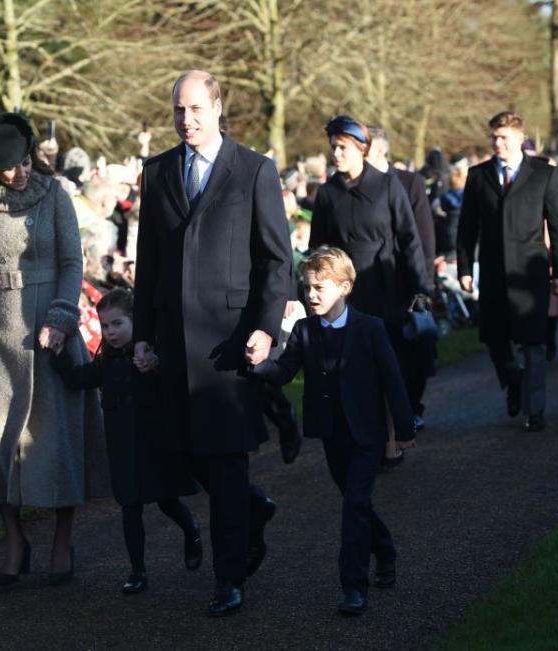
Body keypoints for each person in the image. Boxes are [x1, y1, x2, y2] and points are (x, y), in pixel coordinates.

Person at [133, 70, 292, 616]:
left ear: (219, 107)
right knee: (183, 452)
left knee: (225, 460)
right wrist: (143, 336)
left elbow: (276, 259)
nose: (186, 119)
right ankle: (252, 508)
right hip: (173, 344)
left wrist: (266, 327)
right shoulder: (156, 174)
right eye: (178, 109)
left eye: (196, 109)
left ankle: (229, 578)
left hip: (230, 345)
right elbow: (149, 263)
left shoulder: (253, 171)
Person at [0, 112, 109, 586]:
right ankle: (14, 538)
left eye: (21, 162)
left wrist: (62, 318)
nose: (16, 173)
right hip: (3, 333)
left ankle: (63, 538)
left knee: (57, 437)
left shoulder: (54, 193)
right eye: (6, 166)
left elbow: (70, 262)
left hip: (51, 327)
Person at [251, 247, 414, 616]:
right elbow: (284, 371)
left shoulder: (369, 328)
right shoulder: (305, 331)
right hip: (331, 433)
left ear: (344, 288)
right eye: (307, 287)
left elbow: (392, 380)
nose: (310, 295)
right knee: (355, 502)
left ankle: (353, 587)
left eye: (319, 288)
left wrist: (404, 428)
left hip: (366, 433)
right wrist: (259, 366)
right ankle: (385, 549)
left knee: (354, 505)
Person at [51, 288, 202, 594]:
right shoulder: (106, 363)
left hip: (155, 443)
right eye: (105, 326)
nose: (110, 332)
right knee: (130, 509)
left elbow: (173, 382)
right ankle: (138, 571)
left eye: (117, 324)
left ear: (135, 320)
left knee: (167, 501)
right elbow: (78, 379)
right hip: (122, 447)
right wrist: (57, 353)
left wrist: (156, 364)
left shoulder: (147, 357)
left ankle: (192, 532)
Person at [309, 115, 427, 466]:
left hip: (387, 291)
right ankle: (363, 441)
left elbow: (409, 238)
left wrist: (420, 287)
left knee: (387, 369)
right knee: (353, 372)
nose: (336, 154)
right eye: (333, 147)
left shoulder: (389, 187)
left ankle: (392, 438)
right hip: (346, 296)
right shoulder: (328, 194)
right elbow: (319, 247)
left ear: (362, 149)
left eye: (342, 147)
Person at [456, 112, 558, 431]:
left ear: (520, 138)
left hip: (529, 273)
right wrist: (465, 268)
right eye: (493, 137)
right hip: (492, 271)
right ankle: (513, 380)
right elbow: (466, 227)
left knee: (532, 342)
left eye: (504, 137)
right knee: (494, 338)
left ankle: (535, 410)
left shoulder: (543, 174)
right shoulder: (478, 176)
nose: (497, 143)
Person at [366, 125, 437, 432]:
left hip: (406, 281)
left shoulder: (409, 182)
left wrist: (424, 285)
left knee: (413, 349)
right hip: (370, 285)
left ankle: (412, 405)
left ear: (380, 150)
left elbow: (423, 235)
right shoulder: (345, 186)